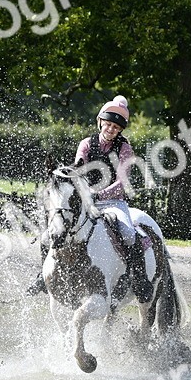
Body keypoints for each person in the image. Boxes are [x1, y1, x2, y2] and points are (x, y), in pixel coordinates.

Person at [27, 96, 153, 301]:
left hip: (113, 202)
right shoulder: (86, 144)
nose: (111, 129)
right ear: (100, 122)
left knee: (129, 234)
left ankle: (139, 279)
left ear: (120, 130)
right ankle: (41, 276)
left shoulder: (125, 149)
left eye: (116, 127)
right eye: (108, 124)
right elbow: (78, 171)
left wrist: (98, 194)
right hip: (86, 201)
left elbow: (121, 183)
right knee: (47, 235)